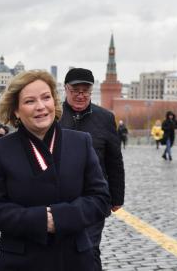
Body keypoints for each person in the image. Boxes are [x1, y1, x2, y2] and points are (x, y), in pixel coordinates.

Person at [0, 70, 111, 271]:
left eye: (46, 98)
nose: (40, 107)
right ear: (16, 110)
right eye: (30, 101)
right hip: (20, 261)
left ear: (54, 102)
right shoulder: (1, 149)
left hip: (74, 259)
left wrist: (60, 218)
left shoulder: (81, 142)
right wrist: (40, 220)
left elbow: (101, 199)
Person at [59, 68, 125, 270]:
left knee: (89, 249)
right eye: (75, 90)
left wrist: (117, 197)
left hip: (94, 197)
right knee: (62, 250)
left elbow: (114, 159)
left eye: (85, 91)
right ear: (66, 89)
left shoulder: (105, 118)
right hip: (60, 197)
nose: (80, 95)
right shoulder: (53, 116)